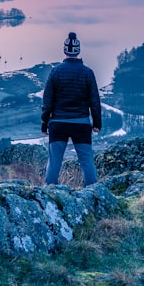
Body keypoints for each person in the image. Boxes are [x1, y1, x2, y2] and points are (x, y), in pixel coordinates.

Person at [41, 31, 102, 185]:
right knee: (87, 161)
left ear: (65, 50)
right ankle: (93, 193)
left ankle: (49, 193)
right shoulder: (88, 73)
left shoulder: (55, 72)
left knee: (54, 162)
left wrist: (44, 123)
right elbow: (95, 100)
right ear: (78, 51)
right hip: (81, 123)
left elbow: (47, 101)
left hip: (58, 123)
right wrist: (97, 123)